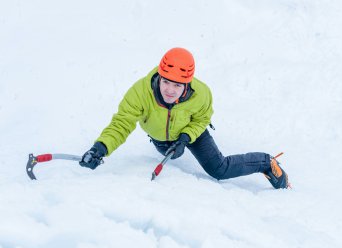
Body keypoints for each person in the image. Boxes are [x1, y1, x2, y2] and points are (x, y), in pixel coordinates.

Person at [79, 47, 290, 189]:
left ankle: (265, 162)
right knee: (172, 155)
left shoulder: (201, 94)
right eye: (166, 82)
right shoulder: (140, 92)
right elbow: (122, 123)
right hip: (162, 138)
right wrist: (100, 148)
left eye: (177, 85)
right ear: (159, 77)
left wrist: (186, 137)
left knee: (219, 170)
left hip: (192, 132)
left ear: (187, 84)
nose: (170, 90)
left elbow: (202, 119)